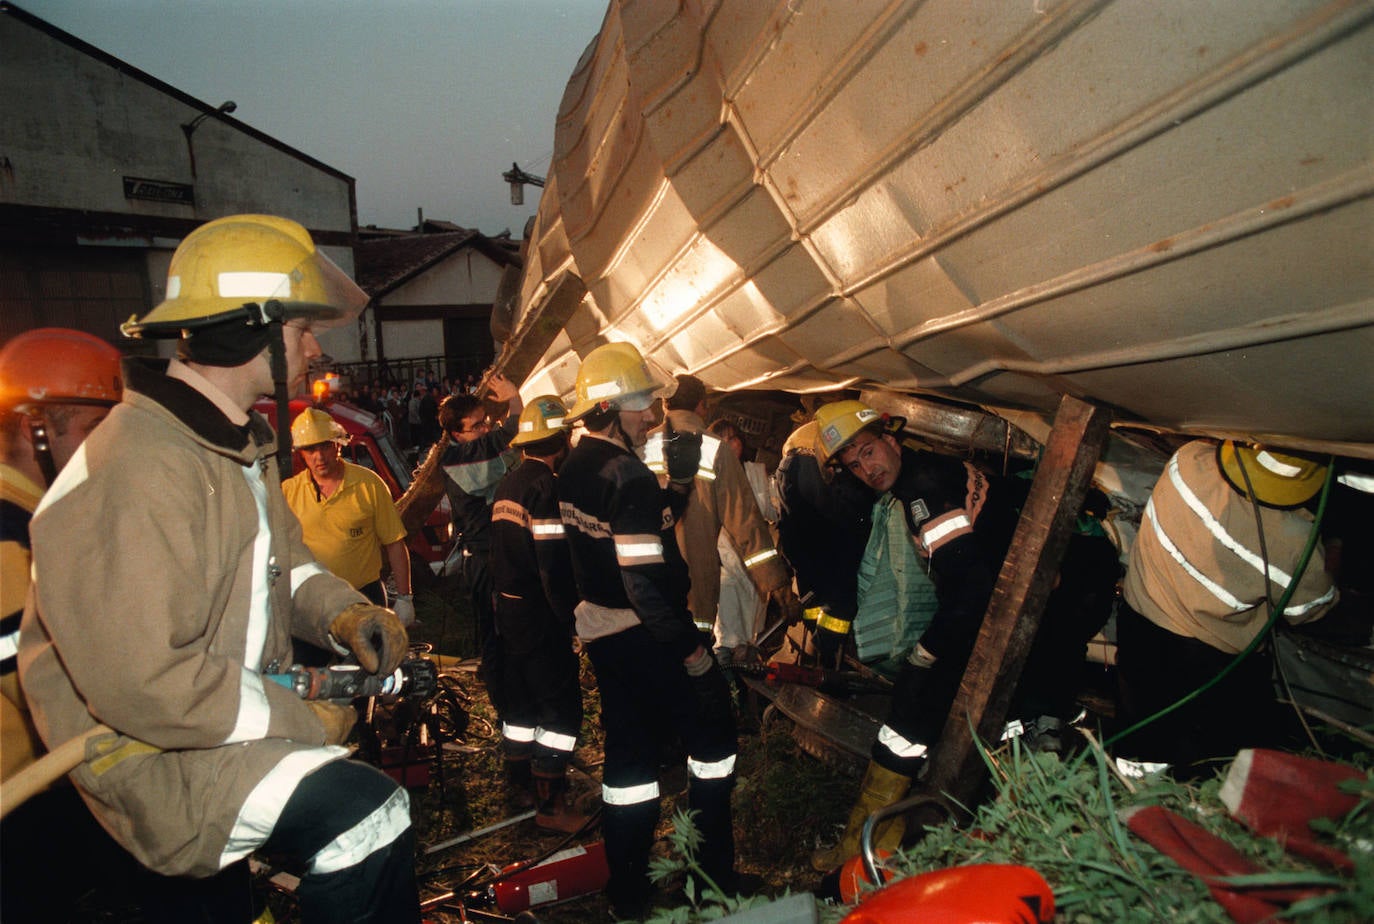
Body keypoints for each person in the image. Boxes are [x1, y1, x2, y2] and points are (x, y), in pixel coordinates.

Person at [17, 214, 419, 923]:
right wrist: (300, 719)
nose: (315, 348)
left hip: (202, 729)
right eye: (301, 330)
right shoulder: (141, 464)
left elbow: (283, 564)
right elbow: (143, 681)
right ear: (251, 328)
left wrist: (345, 612)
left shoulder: (234, 447)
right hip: (146, 752)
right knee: (365, 815)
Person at [808, 399, 1117, 871]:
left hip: (1065, 592)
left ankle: (870, 852)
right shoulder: (926, 472)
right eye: (853, 464)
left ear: (891, 440)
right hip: (1044, 589)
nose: (865, 469)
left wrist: (926, 653)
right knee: (949, 704)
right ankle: (876, 847)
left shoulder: (922, 491)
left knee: (934, 697)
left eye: (868, 452)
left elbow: (969, 590)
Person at [557, 343, 740, 917]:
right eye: (642, 407)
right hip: (649, 636)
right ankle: (712, 882)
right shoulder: (627, 474)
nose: (653, 417)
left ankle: (629, 893)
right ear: (610, 408)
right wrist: (692, 653)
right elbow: (642, 580)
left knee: (630, 767)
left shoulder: (576, 467)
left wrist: (678, 492)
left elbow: (630, 534)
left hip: (606, 638)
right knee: (713, 742)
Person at [0, 328, 141, 921]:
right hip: (19, 808)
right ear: (35, 428)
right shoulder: (12, 543)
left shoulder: (38, 521)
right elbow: (50, 688)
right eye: (91, 432)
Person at [1114, 440, 1352, 774]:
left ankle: (1129, 795)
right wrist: (1334, 543)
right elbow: (1312, 610)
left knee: (1140, 734)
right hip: (1205, 661)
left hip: (1139, 623)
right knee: (1219, 759)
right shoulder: (1294, 540)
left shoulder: (1188, 459)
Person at [643, 375, 798, 666]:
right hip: (695, 580)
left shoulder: (642, 445)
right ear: (702, 407)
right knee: (694, 661)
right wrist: (776, 583)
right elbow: (745, 523)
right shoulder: (715, 449)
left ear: (665, 405)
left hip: (645, 580)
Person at [490, 395, 590, 833]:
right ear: (561, 439)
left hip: (508, 611)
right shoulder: (546, 487)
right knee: (558, 711)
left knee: (521, 704)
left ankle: (520, 786)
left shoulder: (508, 484)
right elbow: (550, 563)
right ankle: (551, 805)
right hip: (539, 613)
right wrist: (570, 619)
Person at [436, 375, 523, 713]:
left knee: (508, 629)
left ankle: (512, 698)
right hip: (486, 558)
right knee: (497, 632)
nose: (485, 429)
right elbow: (508, 435)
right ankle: (508, 709)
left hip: (496, 553)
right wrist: (514, 399)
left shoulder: (468, 450)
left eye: (485, 422)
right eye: (476, 426)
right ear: (457, 434)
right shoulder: (459, 460)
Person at [282, 407, 414, 624]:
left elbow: (395, 542)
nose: (319, 456)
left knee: (369, 658)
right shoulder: (288, 492)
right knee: (309, 659)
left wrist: (405, 597)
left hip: (364, 597)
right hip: (312, 600)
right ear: (300, 453)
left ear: (338, 445)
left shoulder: (368, 484)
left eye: (325, 446)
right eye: (310, 449)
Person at [772, 419, 875, 668]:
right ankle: (824, 648)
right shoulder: (843, 432)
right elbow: (840, 512)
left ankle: (813, 645)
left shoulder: (807, 434)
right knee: (841, 596)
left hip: (791, 475)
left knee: (811, 581)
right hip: (809, 468)